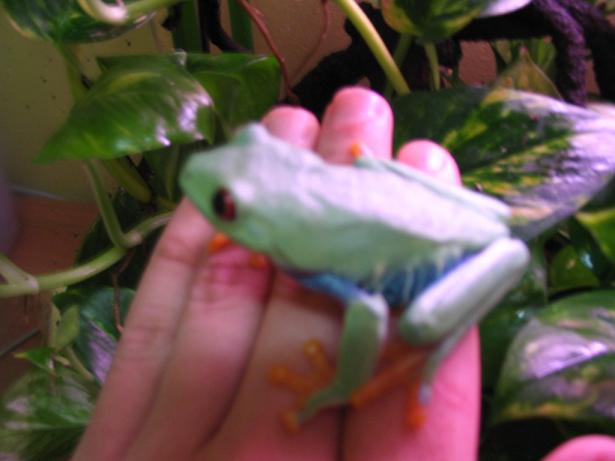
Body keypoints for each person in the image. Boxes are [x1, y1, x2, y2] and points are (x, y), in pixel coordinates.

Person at [72, 87, 615, 461]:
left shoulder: (306, 256)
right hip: (457, 214)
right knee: (373, 174)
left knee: (416, 327)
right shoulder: (297, 236)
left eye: (227, 208)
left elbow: (369, 310)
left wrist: (341, 384)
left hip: (457, 255)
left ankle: (401, 363)